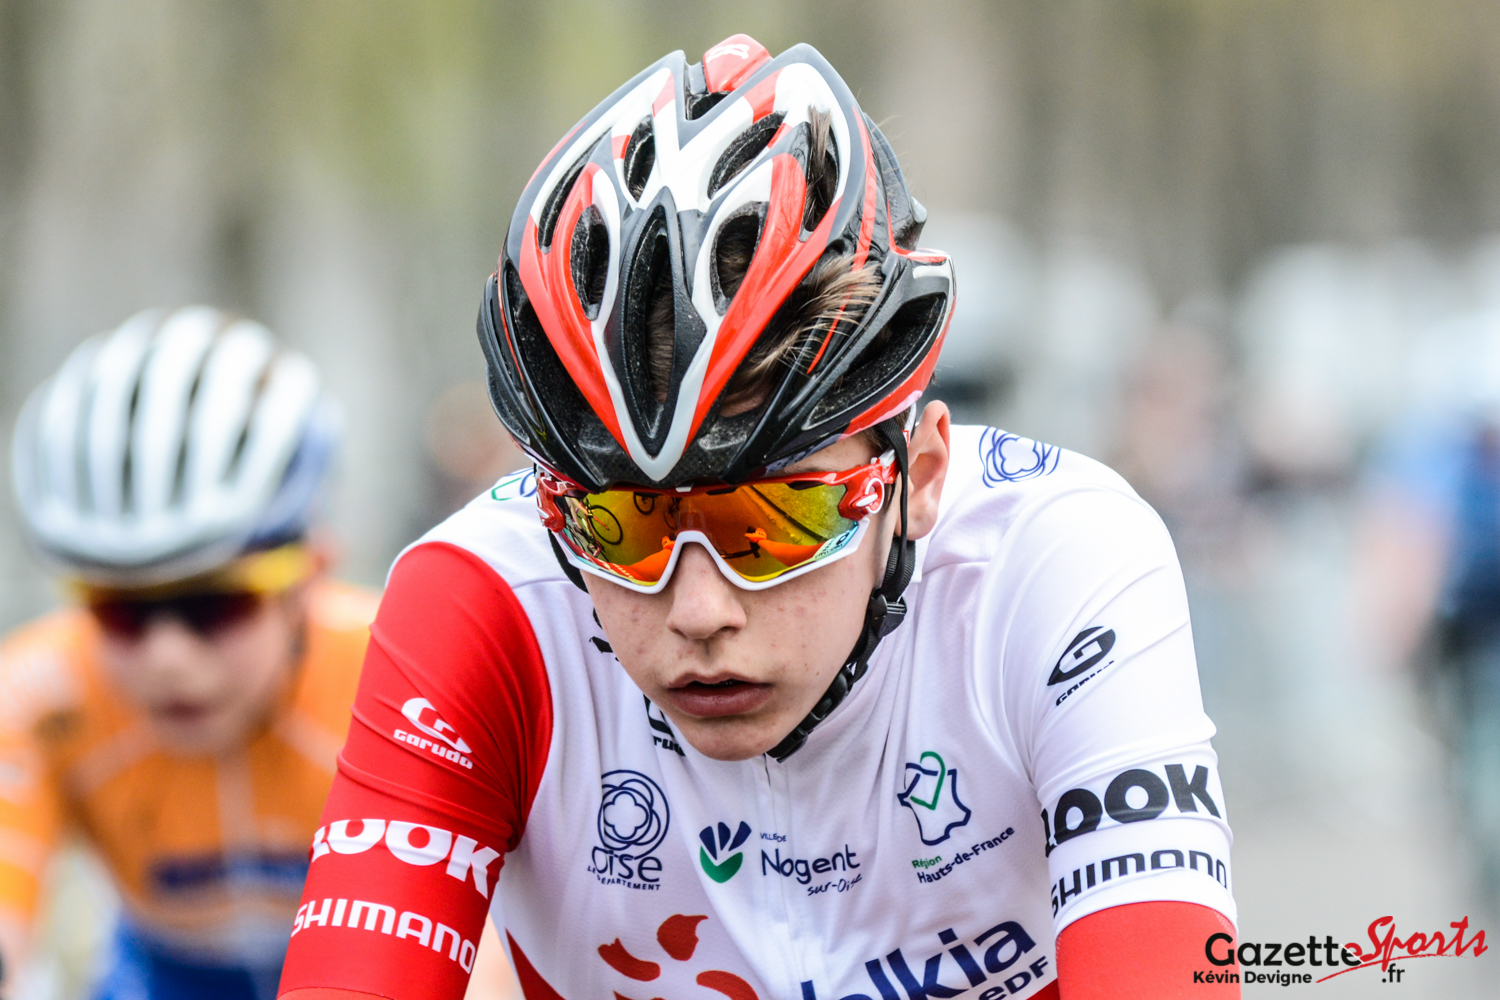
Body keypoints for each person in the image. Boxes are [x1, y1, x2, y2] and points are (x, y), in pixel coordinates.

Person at [277, 36, 1239, 1000]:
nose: (698, 611)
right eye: (623, 528)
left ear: (920, 474)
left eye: (773, 520)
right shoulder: (481, 603)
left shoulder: (1056, 565)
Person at [0, 308, 378, 1000]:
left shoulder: (394, 678)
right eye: (120, 610)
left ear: (309, 576)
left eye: (214, 605)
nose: (166, 657)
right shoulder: (36, 694)